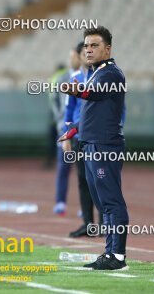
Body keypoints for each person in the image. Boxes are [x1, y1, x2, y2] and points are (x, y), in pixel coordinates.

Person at [59, 26, 129, 270]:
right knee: (102, 202)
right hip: (90, 144)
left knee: (111, 201)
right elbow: (93, 111)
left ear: (107, 49)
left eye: (94, 45)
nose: (88, 49)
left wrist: (75, 89)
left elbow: (94, 95)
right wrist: (74, 129)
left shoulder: (111, 74)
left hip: (104, 146)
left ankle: (117, 256)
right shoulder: (96, 72)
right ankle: (109, 253)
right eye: (86, 46)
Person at [62, 42, 104, 238]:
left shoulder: (105, 79)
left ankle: (105, 224)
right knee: (83, 180)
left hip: (99, 137)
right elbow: (68, 112)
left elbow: (119, 109)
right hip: (79, 137)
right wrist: (66, 136)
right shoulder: (74, 79)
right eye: (83, 52)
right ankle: (88, 224)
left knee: (101, 179)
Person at [49, 64, 72, 216]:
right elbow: (55, 101)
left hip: (83, 132)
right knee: (63, 167)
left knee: (87, 173)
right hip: (65, 130)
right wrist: (61, 126)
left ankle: (87, 209)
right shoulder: (62, 78)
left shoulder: (91, 78)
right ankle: (60, 202)